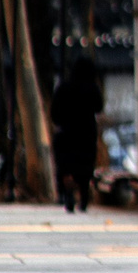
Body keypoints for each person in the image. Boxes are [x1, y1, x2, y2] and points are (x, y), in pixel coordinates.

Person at [49, 59, 102, 214]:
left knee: (66, 167)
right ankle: (84, 198)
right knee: (84, 167)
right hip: (86, 133)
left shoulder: (63, 88)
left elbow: (54, 112)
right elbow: (99, 107)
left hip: (66, 133)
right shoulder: (93, 88)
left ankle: (67, 194)